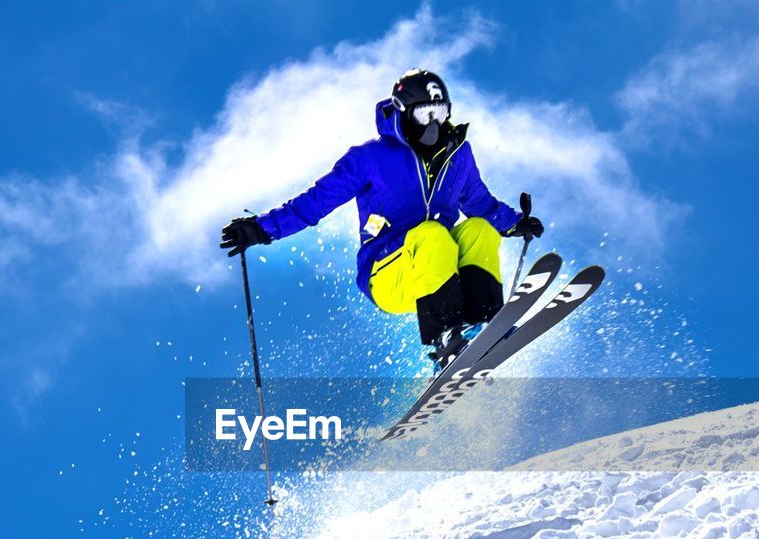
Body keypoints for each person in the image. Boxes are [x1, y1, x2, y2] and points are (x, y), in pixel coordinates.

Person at [220, 69, 543, 369]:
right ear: (403, 111)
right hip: (388, 274)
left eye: (441, 112)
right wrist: (263, 228)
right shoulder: (369, 158)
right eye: (424, 114)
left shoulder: (458, 154)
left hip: (440, 270)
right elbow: (318, 200)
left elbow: (479, 203)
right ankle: (446, 338)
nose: (434, 122)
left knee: (478, 229)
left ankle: (483, 324)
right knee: (430, 233)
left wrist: (514, 223)